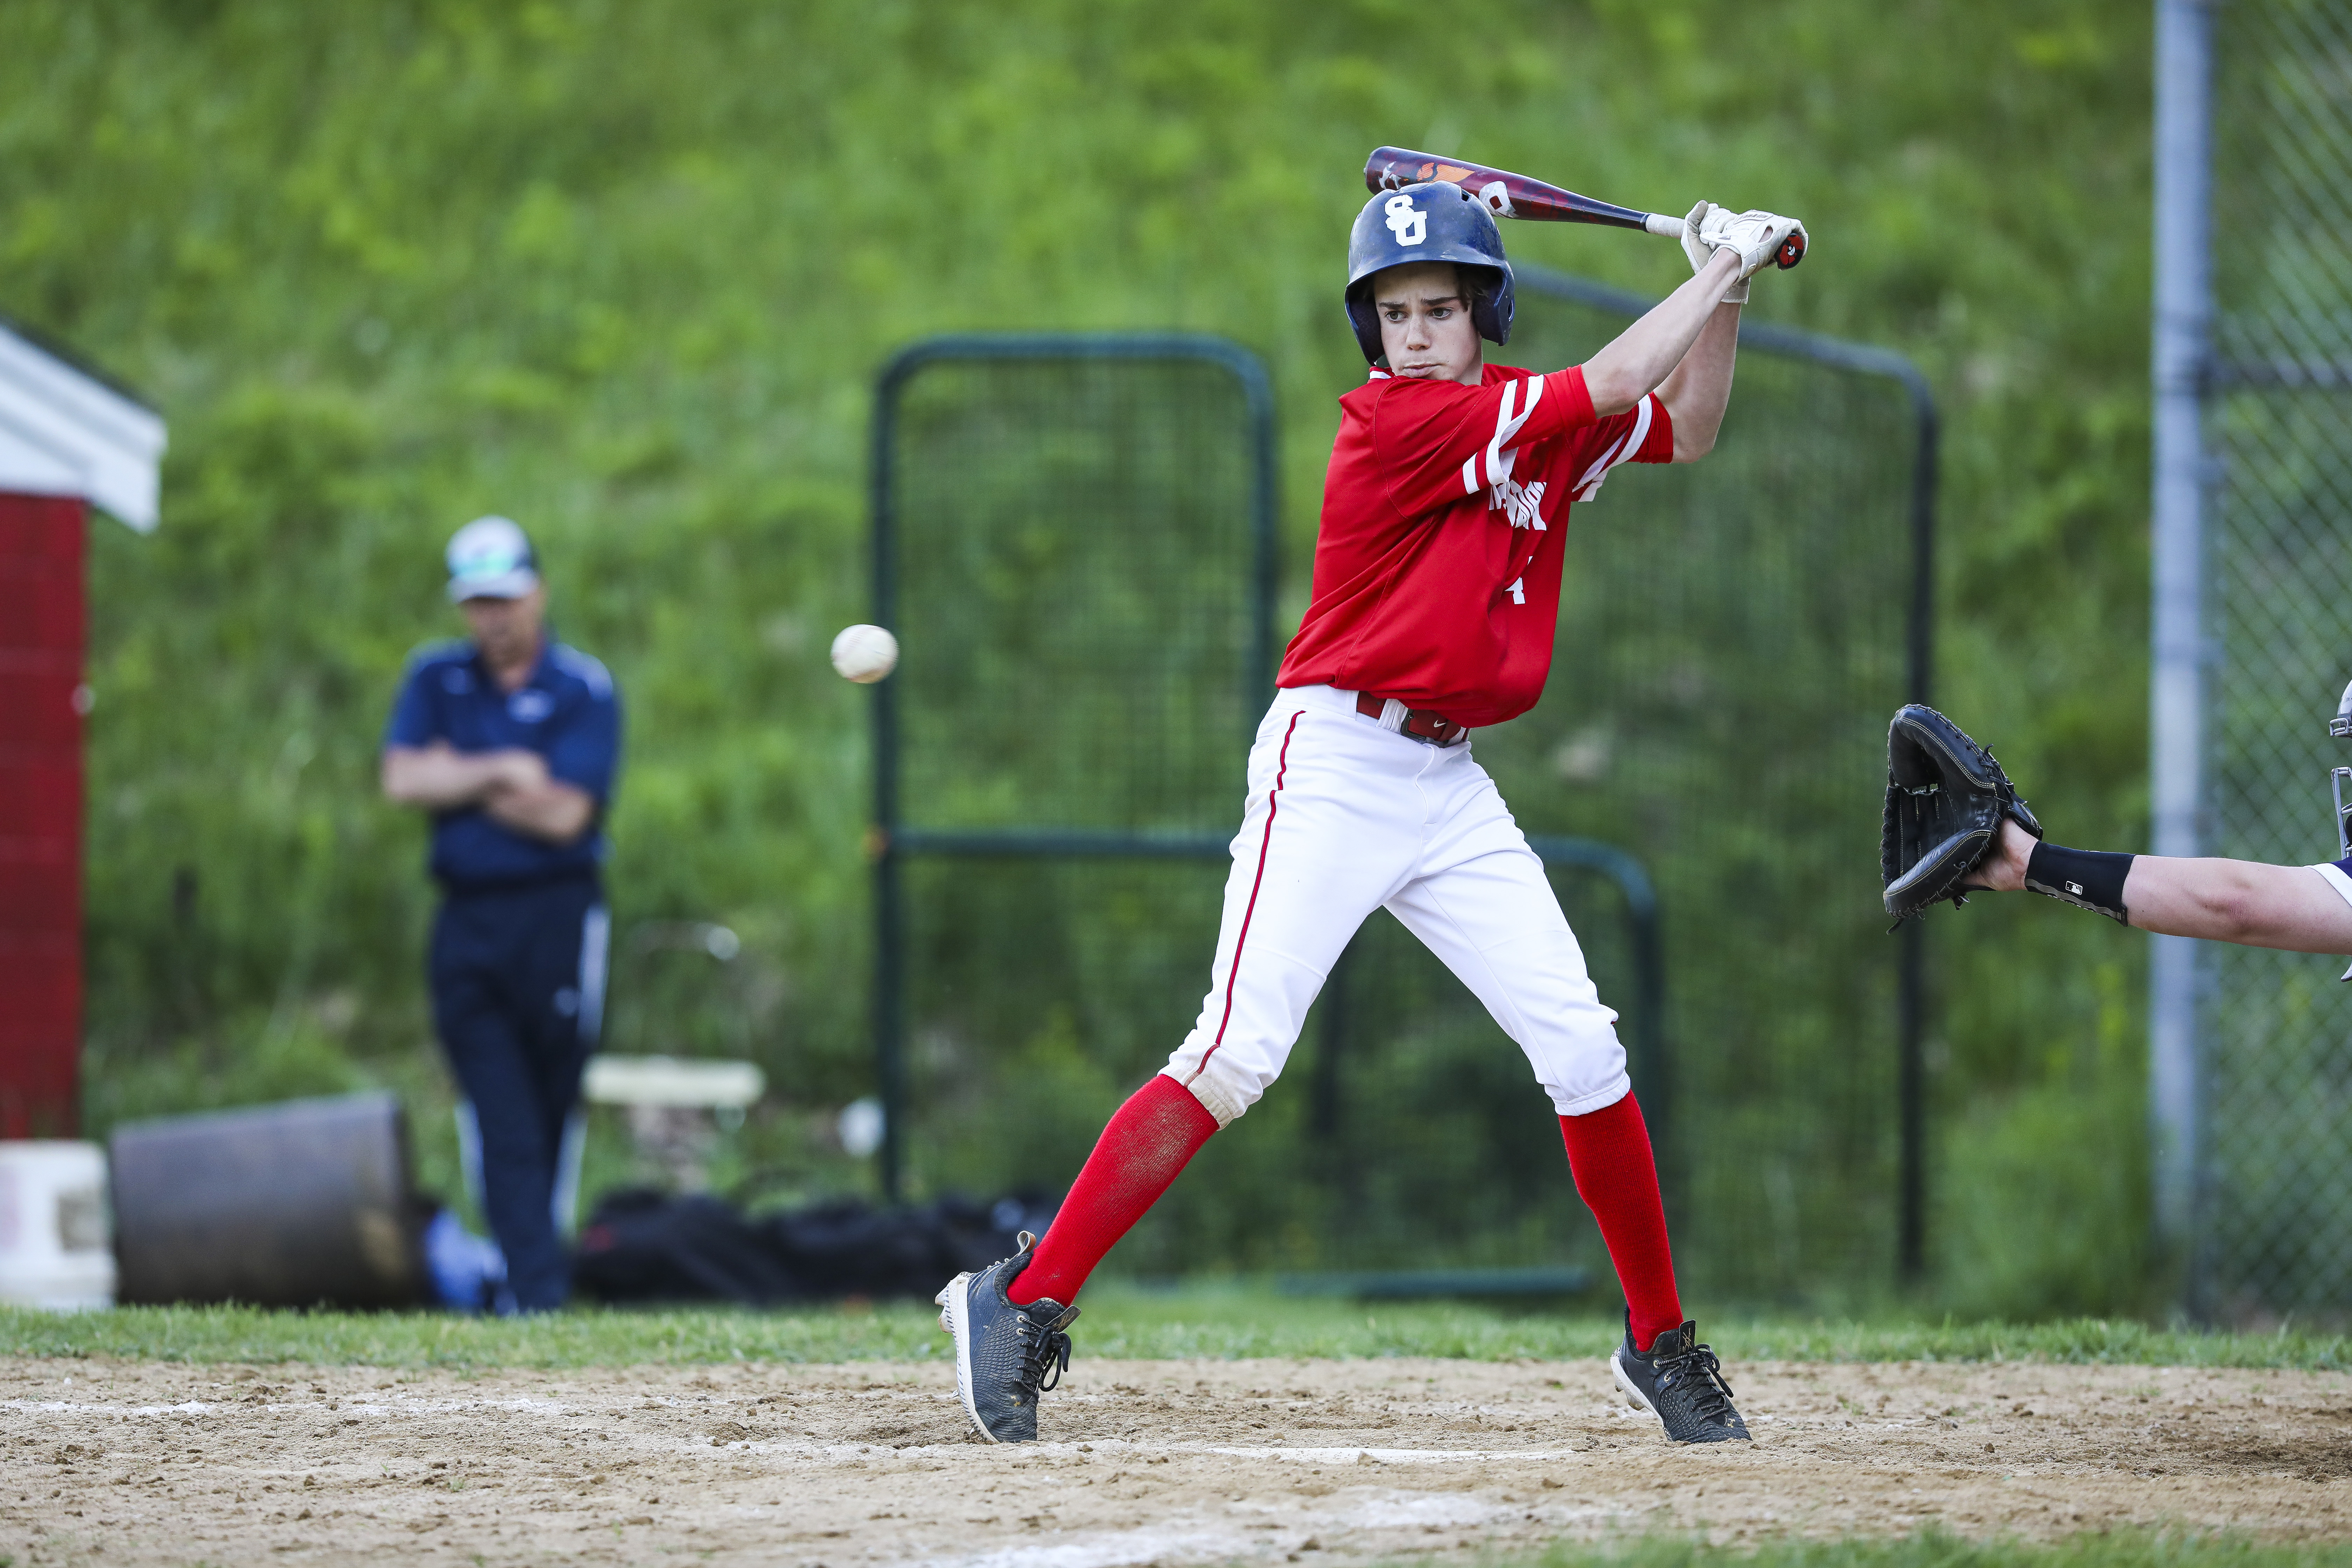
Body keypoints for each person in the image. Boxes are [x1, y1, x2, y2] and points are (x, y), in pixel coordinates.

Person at [936, 184, 1805, 1444]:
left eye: (1440, 309)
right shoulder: (1400, 422)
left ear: (1482, 314)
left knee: (1584, 1051)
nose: (1413, 331)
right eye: (1393, 312)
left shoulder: (1527, 425)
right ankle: (1019, 1300)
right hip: (1336, 758)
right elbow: (1617, 372)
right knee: (1235, 1053)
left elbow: (1693, 421)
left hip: (1445, 784)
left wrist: (1725, 289)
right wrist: (1714, 266)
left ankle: (1660, 1342)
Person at [382, 516, 622, 1312]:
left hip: (556, 922)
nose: (494, 617)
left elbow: (567, 816)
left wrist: (461, 776)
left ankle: (530, 1278)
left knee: (550, 1107)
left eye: (506, 597)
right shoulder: (436, 679)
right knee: (500, 1112)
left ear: (537, 591)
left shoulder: (583, 686)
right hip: (468, 923)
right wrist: (505, 769)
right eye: (478, 601)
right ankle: (534, 1293)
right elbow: (403, 780)